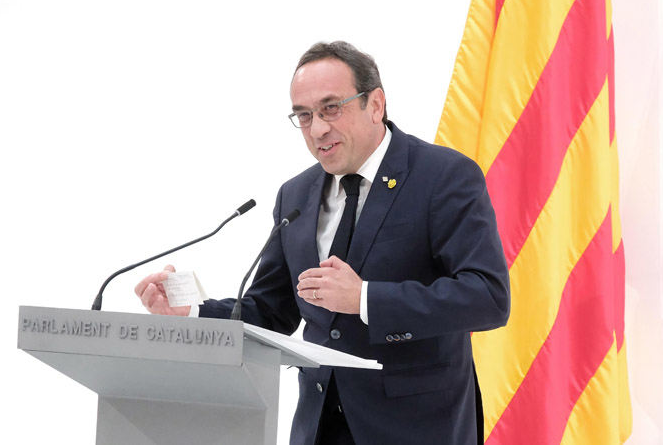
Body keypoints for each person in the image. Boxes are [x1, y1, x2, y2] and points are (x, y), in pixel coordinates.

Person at [135, 41, 510, 445]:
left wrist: (364, 299)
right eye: (304, 115)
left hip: (417, 428)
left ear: (376, 104)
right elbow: (270, 310)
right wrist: (192, 312)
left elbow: (487, 297)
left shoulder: (443, 176)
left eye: (331, 108)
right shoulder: (295, 195)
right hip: (318, 429)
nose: (317, 130)